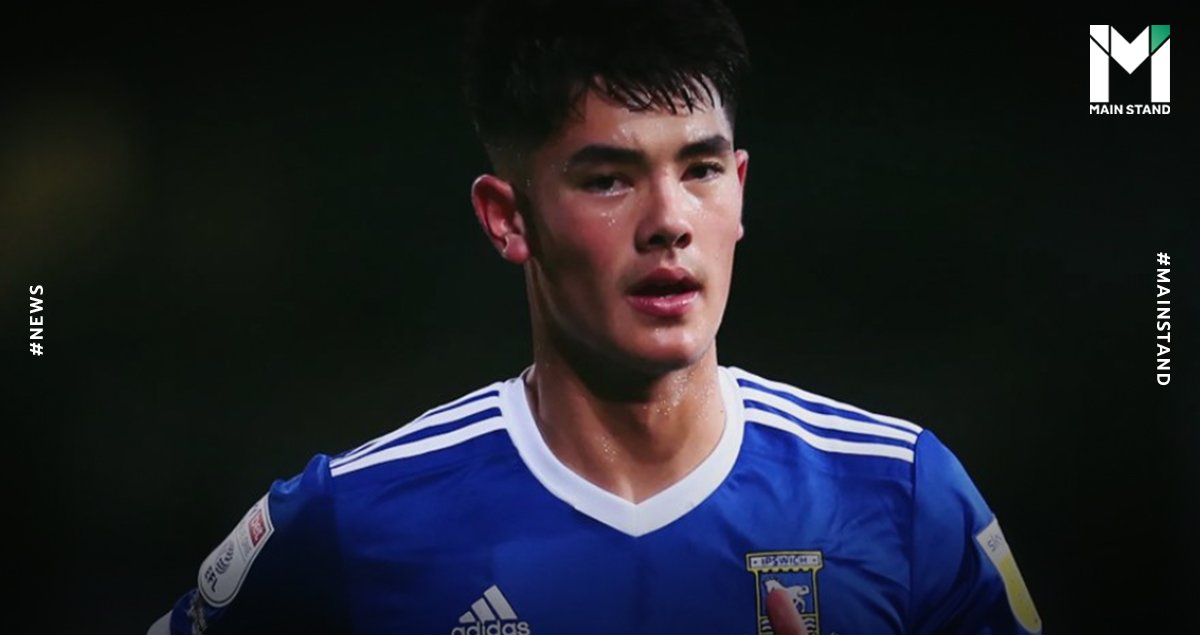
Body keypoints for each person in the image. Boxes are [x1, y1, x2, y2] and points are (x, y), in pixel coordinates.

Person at [149, 1, 1042, 633]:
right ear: (508, 218)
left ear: (739, 190)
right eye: (609, 178)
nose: (669, 221)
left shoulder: (903, 497)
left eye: (700, 169)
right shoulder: (352, 523)